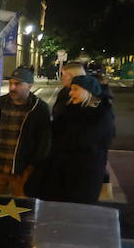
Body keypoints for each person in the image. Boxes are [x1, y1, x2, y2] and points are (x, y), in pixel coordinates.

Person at [34, 74, 114, 204]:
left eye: (75, 89)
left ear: (89, 91)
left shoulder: (101, 115)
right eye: (71, 89)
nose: (71, 93)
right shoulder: (71, 109)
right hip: (62, 173)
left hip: (83, 176)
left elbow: (82, 142)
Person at [0, 65, 51, 196]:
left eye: (18, 84)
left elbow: (44, 141)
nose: (12, 88)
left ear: (29, 86)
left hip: (22, 173)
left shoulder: (39, 109)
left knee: (23, 210)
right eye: (11, 83)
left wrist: (32, 166)